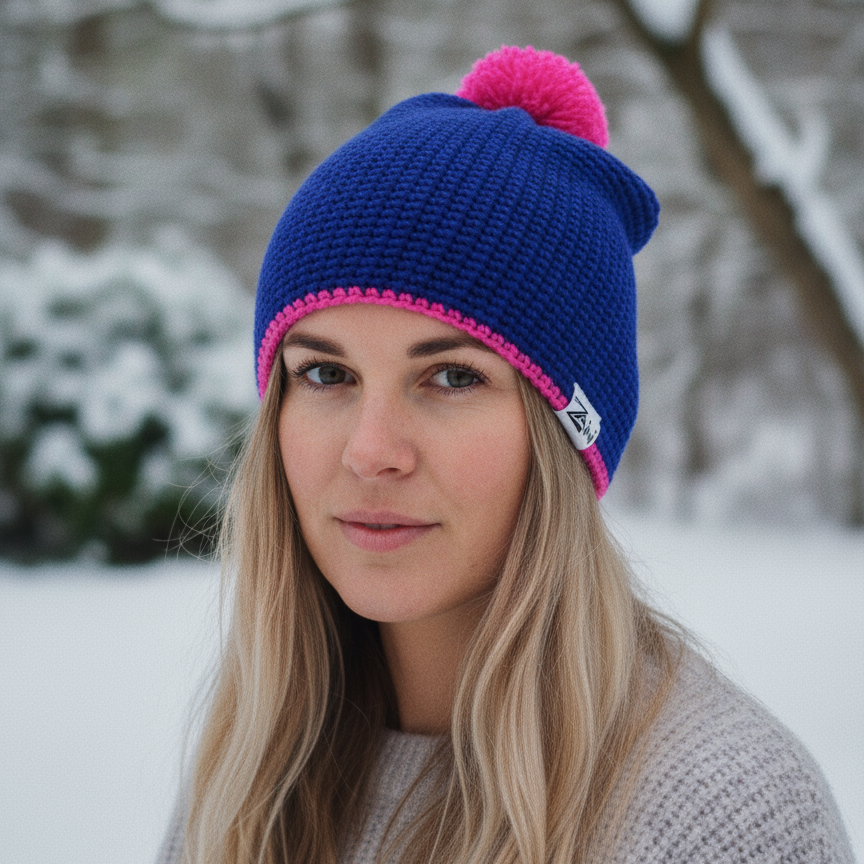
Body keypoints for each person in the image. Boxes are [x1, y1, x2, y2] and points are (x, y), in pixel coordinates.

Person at [157, 46, 855, 864]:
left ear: (567, 432)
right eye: (325, 372)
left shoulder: (722, 813)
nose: (371, 450)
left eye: (452, 376)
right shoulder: (251, 771)